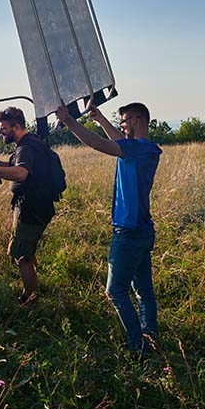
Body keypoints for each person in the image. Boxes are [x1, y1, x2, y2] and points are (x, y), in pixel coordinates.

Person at [56, 102, 161, 356]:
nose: (122, 125)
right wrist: (100, 117)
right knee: (144, 291)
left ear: (136, 119)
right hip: (143, 230)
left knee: (115, 291)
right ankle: (151, 336)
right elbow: (118, 140)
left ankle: (139, 347)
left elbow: (99, 144)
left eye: (124, 121)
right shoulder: (148, 149)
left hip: (128, 232)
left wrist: (70, 121)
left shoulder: (133, 149)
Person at [0, 107, 56, 305]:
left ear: (16, 127)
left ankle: (29, 297)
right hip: (35, 206)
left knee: (21, 256)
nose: (1, 132)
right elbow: (14, 167)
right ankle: (33, 287)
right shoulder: (28, 144)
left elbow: (21, 173)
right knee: (25, 249)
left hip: (32, 209)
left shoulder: (26, 147)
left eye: (3, 129)